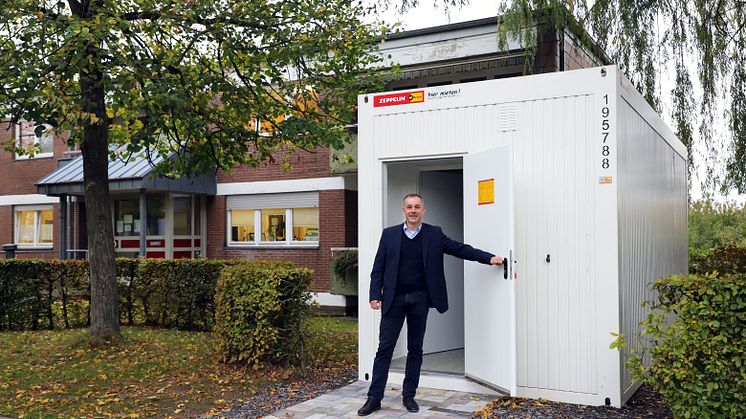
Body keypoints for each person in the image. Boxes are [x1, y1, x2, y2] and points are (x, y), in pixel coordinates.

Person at [358, 193, 503, 415]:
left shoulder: (434, 234)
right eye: (409, 207)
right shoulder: (389, 235)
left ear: (423, 210)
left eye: (417, 206)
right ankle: (374, 398)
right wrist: (374, 294)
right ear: (403, 210)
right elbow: (378, 267)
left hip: (419, 298)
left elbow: (459, 249)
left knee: (415, 348)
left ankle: (409, 396)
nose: (413, 210)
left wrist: (489, 258)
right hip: (393, 299)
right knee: (384, 349)